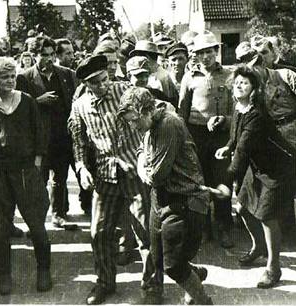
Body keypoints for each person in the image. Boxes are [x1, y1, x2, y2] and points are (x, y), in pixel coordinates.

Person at [68, 55, 161, 305]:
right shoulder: (80, 106)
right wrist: (80, 167)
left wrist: (147, 157)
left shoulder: (127, 92)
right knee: (99, 231)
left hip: (134, 171)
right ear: (86, 84)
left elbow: (154, 119)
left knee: (145, 231)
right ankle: (105, 282)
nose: (103, 85)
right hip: (104, 176)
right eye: (95, 83)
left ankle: (152, 285)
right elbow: (78, 141)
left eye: (104, 79)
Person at [118, 87, 213, 305]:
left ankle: (204, 301)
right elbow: (141, 152)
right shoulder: (149, 123)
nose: (133, 126)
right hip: (159, 199)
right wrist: (144, 166)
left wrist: (143, 169)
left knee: (173, 265)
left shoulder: (169, 124)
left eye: (134, 121)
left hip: (184, 200)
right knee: (158, 256)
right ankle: (194, 275)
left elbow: (156, 176)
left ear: (145, 111)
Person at [236, 41, 296, 257]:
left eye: (257, 63)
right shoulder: (250, 87)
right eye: (249, 68)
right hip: (275, 144)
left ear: (263, 61)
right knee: (274, 187)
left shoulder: (285, 76)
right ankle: (275, 236)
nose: (254, 70)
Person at [0, 56, 52, 295]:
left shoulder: (26, 101)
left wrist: (36, 164)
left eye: (12, 76)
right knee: (1, 226)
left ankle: (44, 269)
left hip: (26, 170)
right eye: (4, 77)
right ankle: (3, 273)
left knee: (36, 222)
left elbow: (39, 134)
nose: (10, 81)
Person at [216, 64, 296, 288]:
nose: (240, 85)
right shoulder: (239, 108)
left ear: (254, 88)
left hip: (276, 169)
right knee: (242, 207)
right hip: (258, 166)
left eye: (245, 82)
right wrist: (227, 146)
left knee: (266, 215)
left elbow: (243, 150)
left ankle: (273, 267)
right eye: (237, 82)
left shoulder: (257, 114)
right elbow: (237, 135)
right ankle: (259, 246)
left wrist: (226, 181)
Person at [178, 31, 235, 248]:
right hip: (196, 135)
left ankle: (224, 227)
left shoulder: (229, 75)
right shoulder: (189, 77)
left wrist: (226, 120)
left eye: (209, 52)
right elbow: (182, 110)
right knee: (197, 183)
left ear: (216, 51)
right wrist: (183, 139)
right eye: (200, 53)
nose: (205, 57)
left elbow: (236, 109)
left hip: (221, 136)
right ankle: (201, 227)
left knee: (222, 180)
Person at [17, 35, 78, 229]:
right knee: (38, 179)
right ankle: (36, 218)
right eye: (44, 55)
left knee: (59, 179)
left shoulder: (67, 74)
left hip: (62, 136)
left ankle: (58, 214)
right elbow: (18, 110)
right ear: (34, 55)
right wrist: (37, 101)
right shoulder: (24, 78)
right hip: (39, 139)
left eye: (52, 54)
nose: (49, 59)